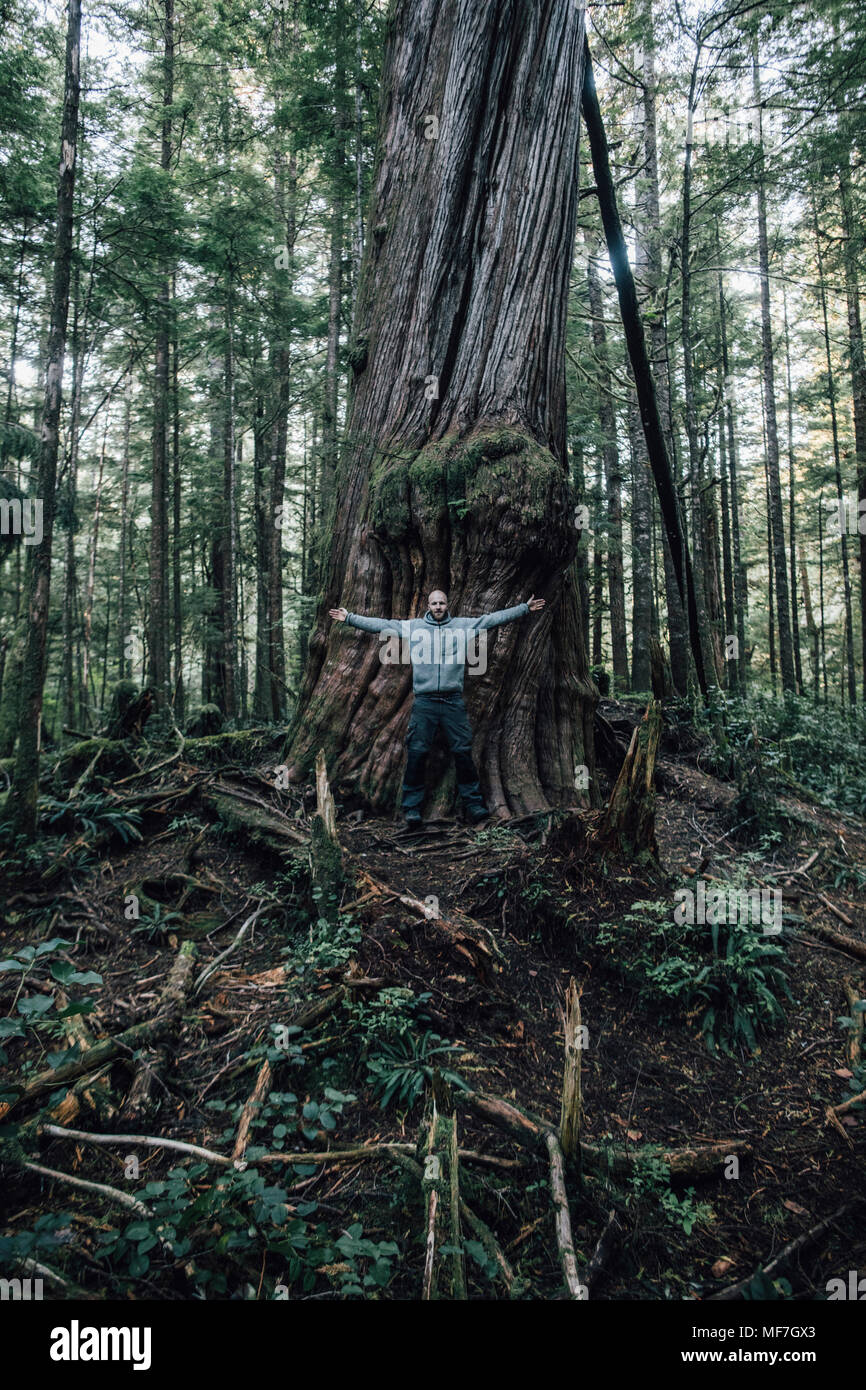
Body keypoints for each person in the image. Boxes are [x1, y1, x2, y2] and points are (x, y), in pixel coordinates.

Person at [329, 589, 545, 825]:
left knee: (463, 752)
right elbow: (382, 625)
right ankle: (411, 808)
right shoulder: (414, 627)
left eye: (442, 603)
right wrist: (349, 618)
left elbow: (493, 619)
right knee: (417, 753)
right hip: (425, 702)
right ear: (428, 605)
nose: (439, 607)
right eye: (434, 603)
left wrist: (524, 608)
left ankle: (473, 805)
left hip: (453, 702)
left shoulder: (463, 626)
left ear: (447, 604)